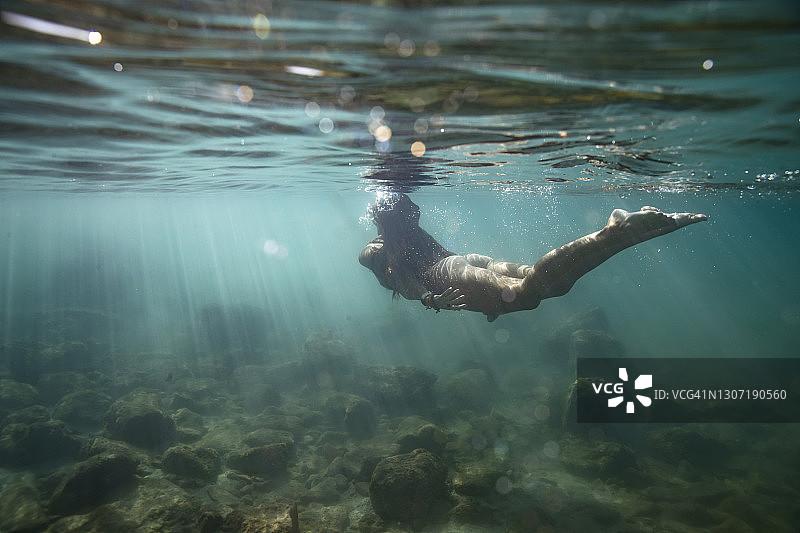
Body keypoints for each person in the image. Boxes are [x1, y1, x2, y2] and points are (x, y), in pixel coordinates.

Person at [359, 192, 707, 322]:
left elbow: (402, 282)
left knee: (528, 294)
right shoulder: (381, 246)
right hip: (465, 261)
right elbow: (396, 273)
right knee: (548, 285)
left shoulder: (376, 249)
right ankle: (634, 231)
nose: (416, 216)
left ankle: (615, 232)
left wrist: (429, 298)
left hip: (448, 273)